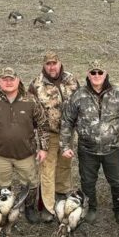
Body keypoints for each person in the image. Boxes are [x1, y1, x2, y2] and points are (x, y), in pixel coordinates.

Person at [60, 60, 119, 224]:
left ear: (105, 73)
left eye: (100, 72)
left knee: (118, 182)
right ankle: (91, 207)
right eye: (93, 72)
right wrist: (65, 145)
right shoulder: (79, 95)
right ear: (88, 74)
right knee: (87, 182)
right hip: (87, 149)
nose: (96, 76)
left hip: (113, 148)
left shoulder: (117, 93)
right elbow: (67, 121)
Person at [0, 67, 49, 223]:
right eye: (5, 79)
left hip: (26, 153)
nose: (8, 82)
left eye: (11, 79)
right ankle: (5, 209)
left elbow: (43, 124)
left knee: (31, 183)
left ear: (18, 80)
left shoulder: (30, 100)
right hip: (0, 154)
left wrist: (44, 147)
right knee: (3, 185)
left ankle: (29, 208)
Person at [28, 51, 80, 222]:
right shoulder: (36, 85)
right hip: (48, 135)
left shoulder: (71, 80)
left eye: (54, 63)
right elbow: (31, 112)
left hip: (68, 133)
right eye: (48, 64)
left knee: (65, 166)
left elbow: (80, 103)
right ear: (44, 65)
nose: (51, 67)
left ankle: (62, 199)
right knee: (47, 170)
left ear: (59, 63)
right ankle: (48, 208)